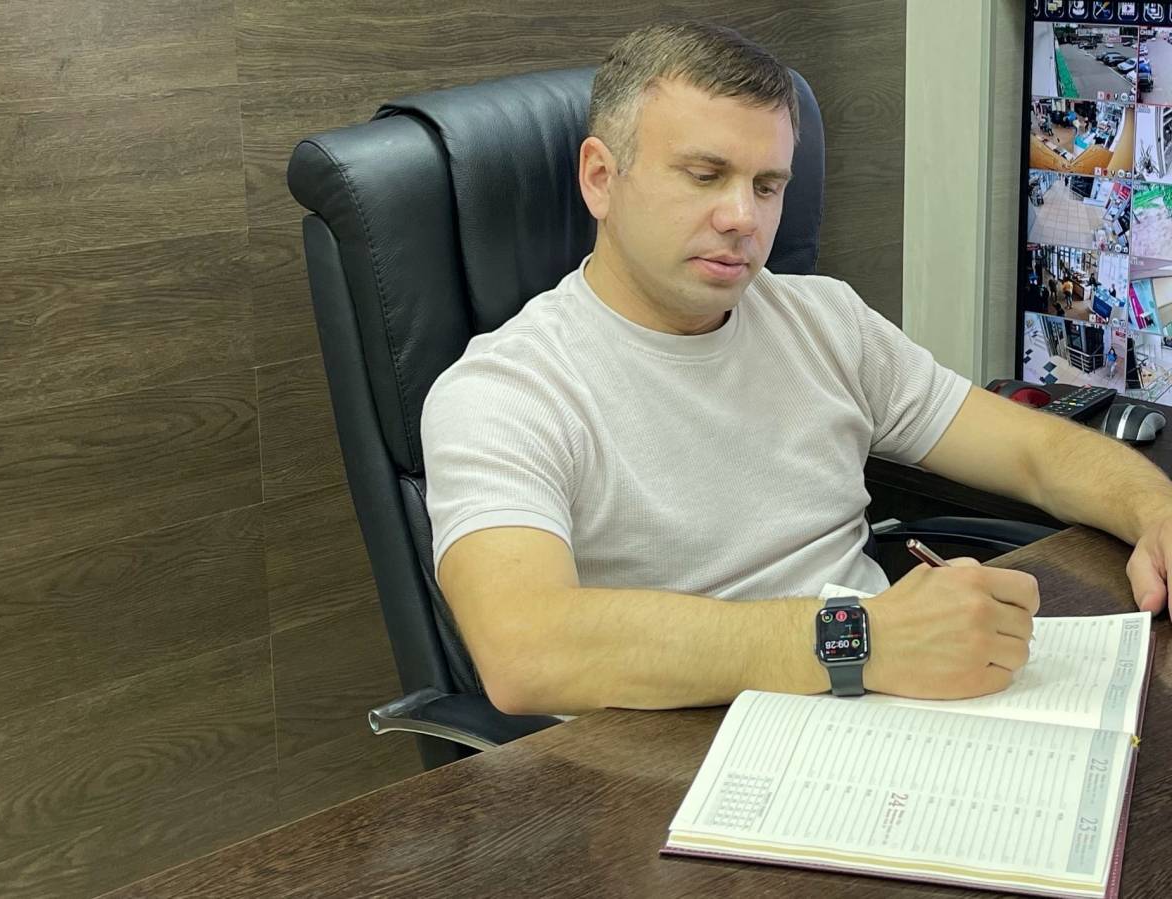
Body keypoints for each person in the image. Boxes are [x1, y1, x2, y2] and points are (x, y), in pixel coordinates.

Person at [422, 23, 1172, 717]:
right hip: (672, 767)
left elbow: (1034, 450)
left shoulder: (824, 320)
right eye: (704, 175)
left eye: (767, 185)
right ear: (599, 178)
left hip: (890, 716)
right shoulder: (505, 391)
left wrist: (1154, 508)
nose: (742, 218)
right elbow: (525, 649)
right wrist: (860, 637)